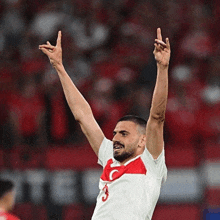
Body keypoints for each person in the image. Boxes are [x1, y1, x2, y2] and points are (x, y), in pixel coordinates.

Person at [39, 27, 171, 220]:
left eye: (124, 134)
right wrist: (59, 67)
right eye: (116, 133)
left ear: (143, 141)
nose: (115, 138)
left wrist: (162, 68)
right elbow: (83, 116)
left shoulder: (151, 161)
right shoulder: (110, 154)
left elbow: (157, 117)